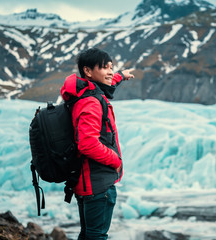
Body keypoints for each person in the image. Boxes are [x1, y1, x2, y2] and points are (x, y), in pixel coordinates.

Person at [60, 48, 134, 240]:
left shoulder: (83, 93)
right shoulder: (92, 102)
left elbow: (104, 85)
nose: (110, 71)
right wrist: (115, 160)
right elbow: (88, 144)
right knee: (96, 236)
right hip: (98, 184)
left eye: (111, 67)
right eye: (104, 68)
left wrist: (120, 76)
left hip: (86, 181)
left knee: (88, 235)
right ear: (87, 71)